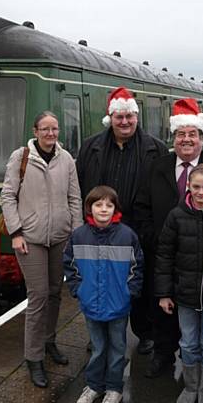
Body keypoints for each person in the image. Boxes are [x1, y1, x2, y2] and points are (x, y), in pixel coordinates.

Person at [134, 98, 203, 378]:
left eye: (192, 134)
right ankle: (163, 357)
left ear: (202, 138)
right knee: (163, 310)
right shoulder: (157, 167)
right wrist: (152, 238)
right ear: (174, 137)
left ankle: (201, 369)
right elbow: (141, 206)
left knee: (202, 318)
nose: (186, 140)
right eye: (181, 134)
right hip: (163, 254)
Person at [77, 86, 168, 355]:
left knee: (138, 282)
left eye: (129, 116)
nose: (125, 122)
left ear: (136, 117)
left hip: (138, 227)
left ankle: (145, 331)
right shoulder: (90, 147)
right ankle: (99, 334)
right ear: (111, 118)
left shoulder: (156, 148)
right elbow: (82, 185)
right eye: (119, 117)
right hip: (100, 228)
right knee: (100, 282)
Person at [0, 111, 83, 388]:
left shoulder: (66, 159)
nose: (51, 134)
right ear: (35, 131)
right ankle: (33, 357)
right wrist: (15, 232)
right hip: (30, 239)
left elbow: (74, 197)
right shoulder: (20, 158)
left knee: (55, 292)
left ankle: (49, 342)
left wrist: (77, 233)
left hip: (60, 237)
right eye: (45, 129)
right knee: (37, 296)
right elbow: (8, 196)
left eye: (55, 129)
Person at [155, 164, 203, 402]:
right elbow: (164, 255)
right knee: (188, 343)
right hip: (185, 293)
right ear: (188, 186)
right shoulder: (176, 216)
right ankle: (190, 387)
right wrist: (164, 293)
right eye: (196, 186)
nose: (201, 192)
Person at [63, 186, 144, 403]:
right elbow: (70, 266)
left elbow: (137, 267)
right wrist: (78, 289)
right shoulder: (79, 236)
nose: (104, 209)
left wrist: (129, 292)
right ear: (90, 208)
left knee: (118, 348)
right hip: (91, 303)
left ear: (115, 208)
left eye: (109, 205)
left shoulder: (127, 236)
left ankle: (114, 388)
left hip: (118, 304)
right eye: (99, 204)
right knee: (98, 348)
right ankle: (93, 385)